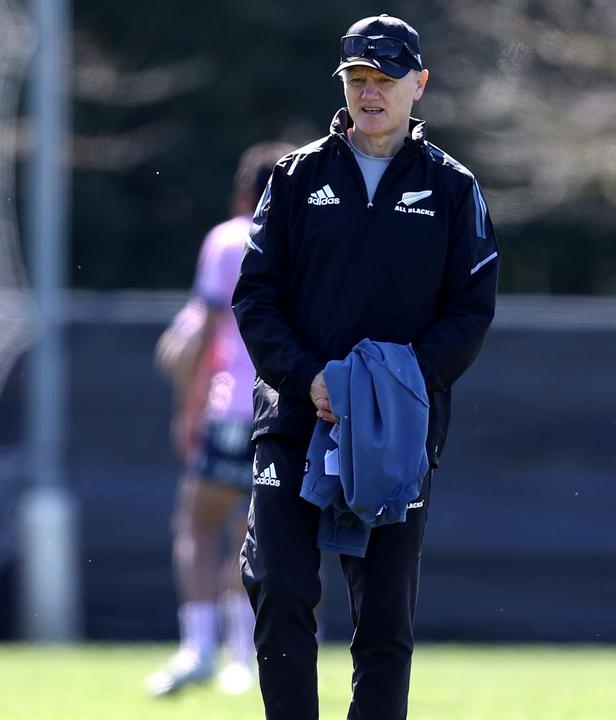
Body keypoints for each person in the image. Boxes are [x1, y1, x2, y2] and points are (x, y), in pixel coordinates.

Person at [232, 14, 498, 719]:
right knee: (280, 586)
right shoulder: (295, 178)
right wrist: (309, 378)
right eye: (357, 79)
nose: (369, 93)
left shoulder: (452, 187)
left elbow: (471, 311)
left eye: (384, 79)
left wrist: (393, 387)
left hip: (395, 435)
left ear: (419, 84)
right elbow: (255, 298)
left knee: (382, 619)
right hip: (293, 419)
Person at [146, 141, 293, 697]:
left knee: (200, 522)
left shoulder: (230, 238)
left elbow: (199, 337)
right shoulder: (308, 237)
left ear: (242, 190)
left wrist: (187, 409)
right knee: (261, 534)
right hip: (292, 409)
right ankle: (246, 656)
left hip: (232, 407)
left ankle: (198, 646)